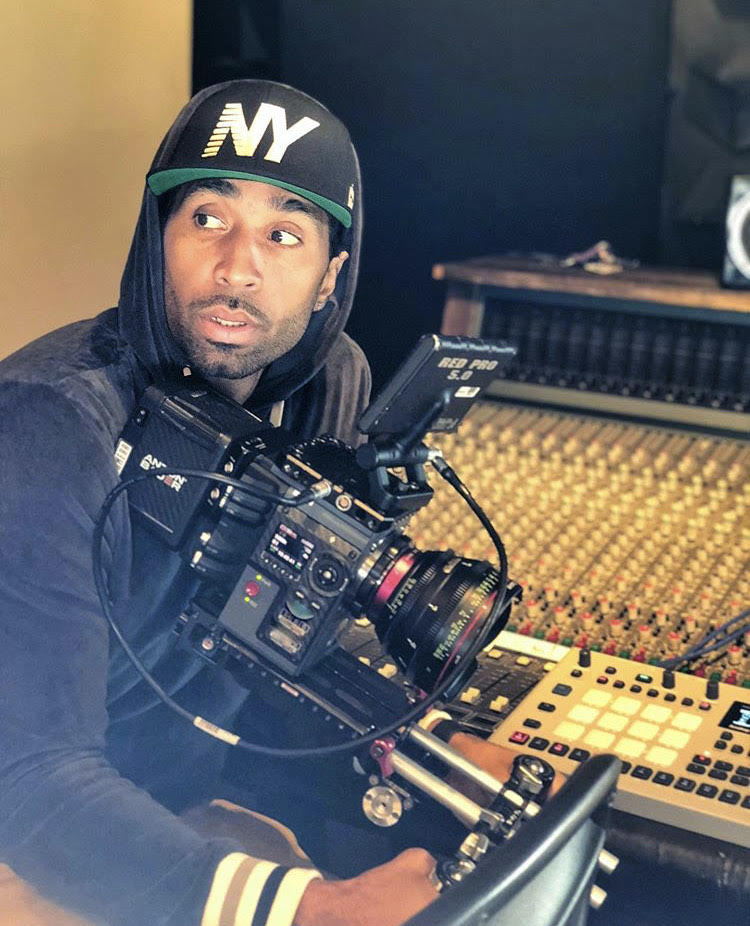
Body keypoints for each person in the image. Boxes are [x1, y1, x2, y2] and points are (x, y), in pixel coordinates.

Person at [0, 80, 531, 926]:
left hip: (178, 799)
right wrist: (313, 909)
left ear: (329, 278)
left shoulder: (331, 384)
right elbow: (29, 780)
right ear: (157, 241)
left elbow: (284, 648)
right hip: (37, 840)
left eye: (284, 234)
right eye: (207, 218)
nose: (236, 267)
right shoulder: (47, 420)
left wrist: (433, 757)